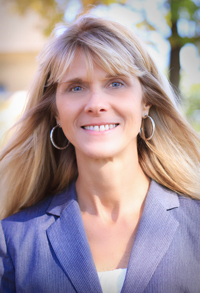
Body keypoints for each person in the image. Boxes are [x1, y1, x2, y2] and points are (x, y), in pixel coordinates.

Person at [0, 14, 200, 293]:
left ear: (146, 102)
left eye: (115, 83)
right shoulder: (14, 241)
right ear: (56, 112)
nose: (96, 104)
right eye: (76, 87)